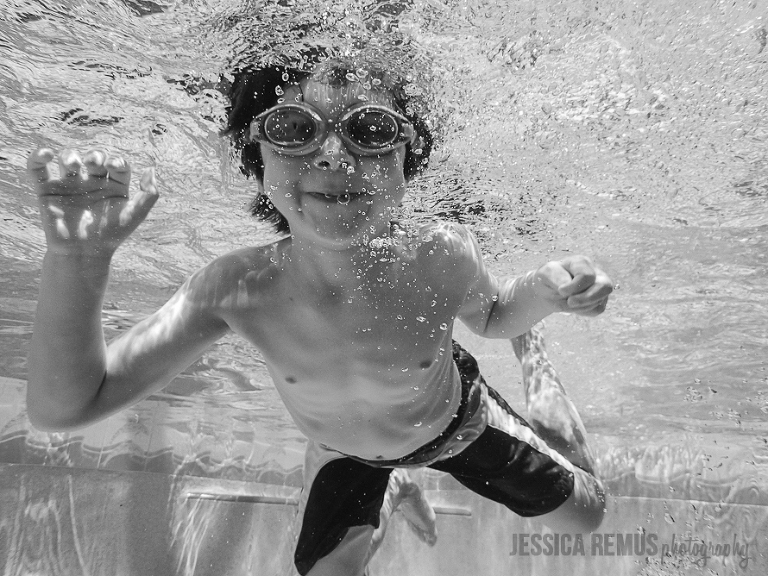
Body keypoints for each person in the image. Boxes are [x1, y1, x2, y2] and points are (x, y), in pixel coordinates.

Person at [26, 58, 612, 576]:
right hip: (342, 451)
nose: (334, 156)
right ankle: (390, 486)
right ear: (256, 155)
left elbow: (496, 315)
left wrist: (542, 292)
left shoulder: (439, 254)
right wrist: (78, 263)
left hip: (455, 427)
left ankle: (537, 367)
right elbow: (66, 407)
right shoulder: (235, 288)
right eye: (292, 129)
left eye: (372, 130)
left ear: (409, 155)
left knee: (588, 515)